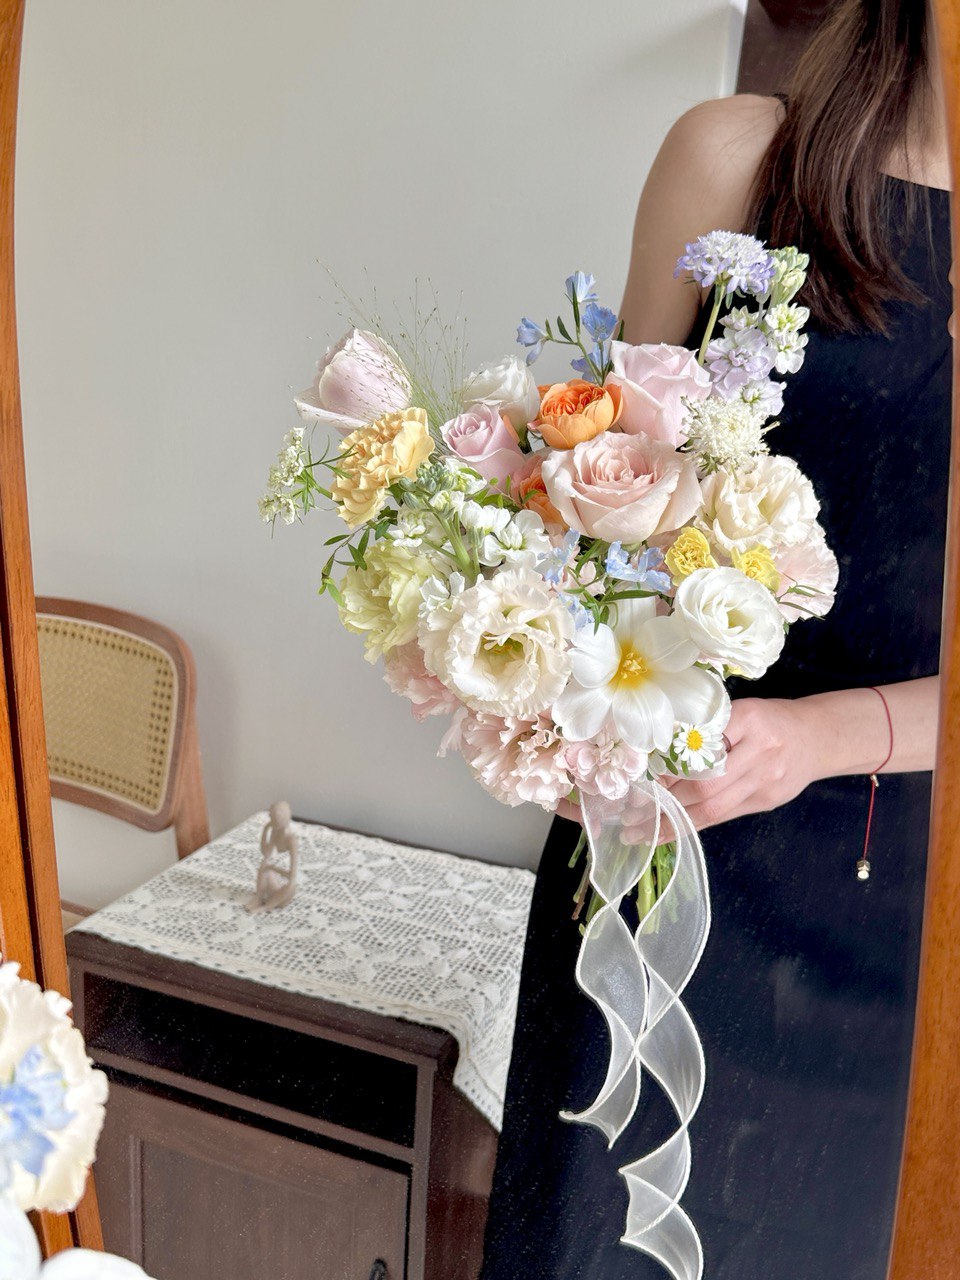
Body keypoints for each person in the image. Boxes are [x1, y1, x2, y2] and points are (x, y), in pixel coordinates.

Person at [478, 1, 953, 1276]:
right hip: (662, 820)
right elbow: (604, 486)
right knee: (591, 1230)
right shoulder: (736, 155)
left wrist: (823, 737)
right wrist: (549, 676)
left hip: (905, 904)